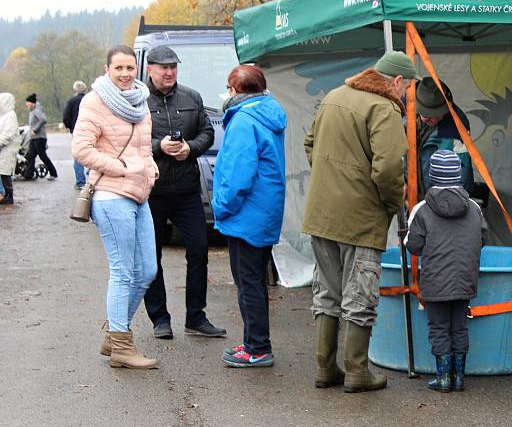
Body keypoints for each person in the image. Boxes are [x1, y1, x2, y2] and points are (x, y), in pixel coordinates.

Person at [302, 50, 417, 393]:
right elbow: (388, 169)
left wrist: (332, 178)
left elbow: (310, 144)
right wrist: (393, 203)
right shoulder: (383, 109)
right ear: (396, 80)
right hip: (361, 218)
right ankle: (356, 371)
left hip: (321, 213)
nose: (406, 94)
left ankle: (325, 369)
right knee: (360, 295)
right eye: (407, 88)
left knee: (327, 292)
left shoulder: (335, 96)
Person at [72, 45, 160, 369]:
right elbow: (81, 149)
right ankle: (122, 347)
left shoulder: (140, 100)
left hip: (139, 193)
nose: (124, 74)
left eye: (128, 67)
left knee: (147, 270)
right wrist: (121, 167)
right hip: (110, 195)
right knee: (123, 271)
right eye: (118, 68)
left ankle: (113, 331)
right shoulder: (94, 102)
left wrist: (150, 167)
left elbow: (144, 145)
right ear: (107, 69)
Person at [143, 45, 225, 340]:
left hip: (188, 188)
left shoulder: (192, 97)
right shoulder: (139, 101)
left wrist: (190, 148)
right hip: (152, 190)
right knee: (151, 256)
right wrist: (158, 147)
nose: (169, 72)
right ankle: (159, 318)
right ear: (150, 69)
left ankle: (196, 316)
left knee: (199, 251)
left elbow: (207, 133)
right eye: (163, 67)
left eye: (173, 67)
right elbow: (129, 139)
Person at [212, 65, 286, 367]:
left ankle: (256, 348)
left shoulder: (243, 120)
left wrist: (221, 206)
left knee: (248, 283)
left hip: (246, 215)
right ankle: (255, 343)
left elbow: (237, 173)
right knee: (254, 280)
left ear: (234, 90)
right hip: (263, 210)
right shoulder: (269, 112)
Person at [404, 149, 487, 392]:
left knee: (439, 328)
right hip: (465, 280)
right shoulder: (474, 207)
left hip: (435, 282)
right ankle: (459, 377)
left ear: (432, 177)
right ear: (459, 176)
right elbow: (483, 239)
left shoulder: (422, 209)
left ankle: (443, 379)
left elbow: (414, 247)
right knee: (460, 326)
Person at [414, 77, 474, 196]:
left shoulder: (458, 126)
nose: (434, 118)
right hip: (413, 195)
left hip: (443, 201)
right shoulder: (405, 115)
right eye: (427, 114)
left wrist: (454, 205)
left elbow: (463, 174)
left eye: (438, 113)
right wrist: (404, 182)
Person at [22, 93, 58, 180]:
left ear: (31, 103)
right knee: (31, 156)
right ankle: (28, 174)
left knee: (42, 156)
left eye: (27, 102)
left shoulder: (37, 111)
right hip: (33, 138)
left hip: (39, 138)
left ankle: (53, 173)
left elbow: (43, 119)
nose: (26, 104)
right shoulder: (31, 111)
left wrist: (35, 129)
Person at [62, 80, 87, 189]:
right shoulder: (89, 99)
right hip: (92, 129)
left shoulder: (71, 101)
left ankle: (80, 182)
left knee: (78, 156)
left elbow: (66, 117)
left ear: (75, 90)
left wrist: (70, 127)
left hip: (77, 130)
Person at [0, 93, 20, 204]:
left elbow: (8, 133)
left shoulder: (11, 115)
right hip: (3, 148)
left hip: (7, 149)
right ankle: (5, 195)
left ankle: (9, 195)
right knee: (2, 171)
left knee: (5, 172)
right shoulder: (4, 115)